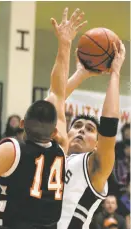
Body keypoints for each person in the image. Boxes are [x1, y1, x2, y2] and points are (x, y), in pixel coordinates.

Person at [0, 8, 87, 229]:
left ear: (22, 124)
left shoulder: (12, 150)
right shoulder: (61, 146)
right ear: (55, 131)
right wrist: (65, 43)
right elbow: (58, 91)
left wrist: (64, 43)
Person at [56, 40, 126, 229]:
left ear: (97, 143)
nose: (81, 130)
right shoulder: (51, 155)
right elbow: (51, 104)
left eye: (89, 129)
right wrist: (80, 73)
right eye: (77, 125)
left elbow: (109, 126)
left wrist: (115, 73)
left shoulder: (94, 165)